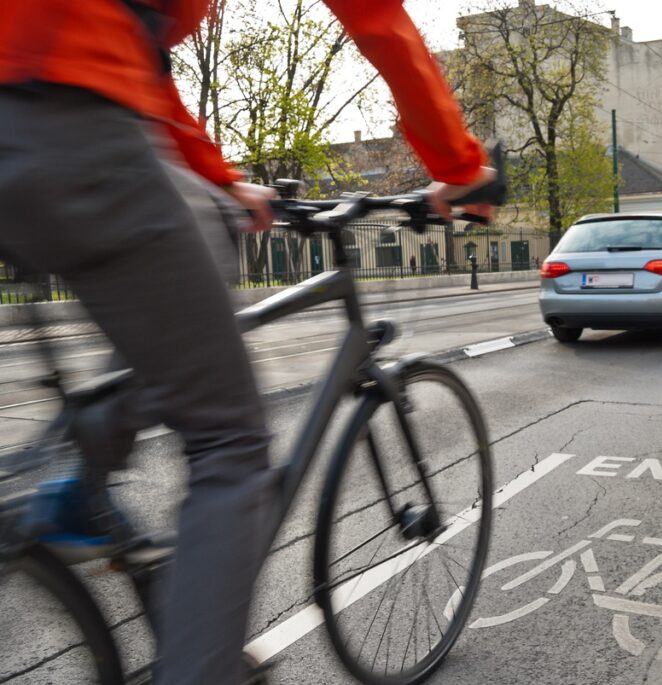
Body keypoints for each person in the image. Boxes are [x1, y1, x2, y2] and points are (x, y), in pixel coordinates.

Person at [0, 2, 496, 683]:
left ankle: (84, 483)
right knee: (231, 443)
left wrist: (222, 178)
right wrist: (460, 164)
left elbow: (130, 53)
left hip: (42, 114)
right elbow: (380, 21)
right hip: (71, 122)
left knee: (207, 222)